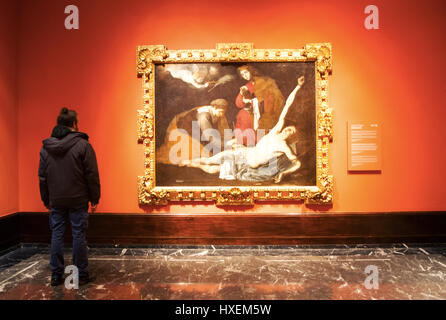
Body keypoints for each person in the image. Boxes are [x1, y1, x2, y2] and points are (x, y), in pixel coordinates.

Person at [180, 76, 305, 183]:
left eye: (291, 132)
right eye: (289, 128)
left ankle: (193, 164)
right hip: (243, 152)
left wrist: (284, 173)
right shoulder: (275, 132)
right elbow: (287, 107)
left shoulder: (284, 146)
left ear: (291, 136)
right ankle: (189, 162)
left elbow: (297, 163)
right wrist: (297, 87)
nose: (287, 130)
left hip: (248, 164)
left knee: (216, 169)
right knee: (211, 160)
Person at [38, 108, 100, 286]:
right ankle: (81, 275)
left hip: (56, 199)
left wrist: (46, 199)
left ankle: (56, 275)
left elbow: (42, 177)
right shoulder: (83, 145)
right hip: (78, 198)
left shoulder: (46, 147)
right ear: (74, 124)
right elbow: (91, 175)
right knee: (78, 234)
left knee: (56, 234)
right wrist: (95, 198)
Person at [156, 99, 230, 165]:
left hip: (197, 130)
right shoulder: (204, 116)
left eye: (224, 112)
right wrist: (227, 144)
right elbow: (209, 136)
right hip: (182, 129)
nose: (222, 115)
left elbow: (223, 130)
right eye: (221, 112)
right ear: (215, 107)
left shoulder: (218, 113)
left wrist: (229, 140)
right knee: (192, 155)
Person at [234, 65, 285, 145]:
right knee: (243, 114)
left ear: (251, 71)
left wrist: (252, 101)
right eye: (242, 75)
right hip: (256, 111)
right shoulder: (248, 85)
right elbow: (238, 103)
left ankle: (259, 144)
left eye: (246, 73)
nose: (245, 76)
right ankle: (248, 144)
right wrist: (242, 94)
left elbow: (270, 98)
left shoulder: (265, 81)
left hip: (268, 110)